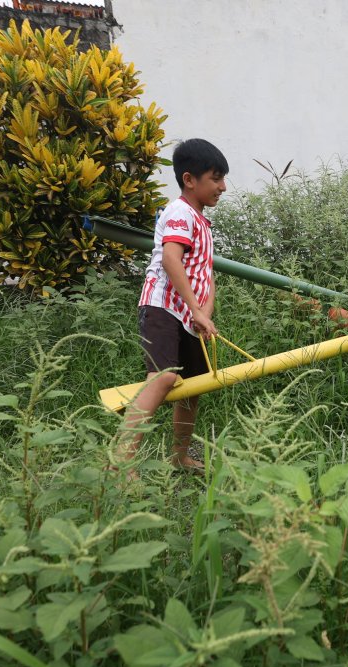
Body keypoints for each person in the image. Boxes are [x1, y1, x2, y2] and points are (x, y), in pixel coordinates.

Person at [118, 138, 227, 475]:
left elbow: (207, 275)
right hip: (163, 306)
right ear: (189, 180)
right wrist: (195, 309)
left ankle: (180, 456)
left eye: (223, 179)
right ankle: (120, 463)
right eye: (215, 179)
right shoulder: (180, 212)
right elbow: (170, 259)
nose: (222, 187)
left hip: (188, 315)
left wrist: (203, 314)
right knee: (164, 377)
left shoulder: (201, 221)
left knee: (193, 386)